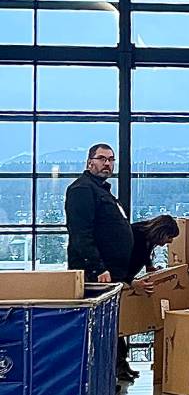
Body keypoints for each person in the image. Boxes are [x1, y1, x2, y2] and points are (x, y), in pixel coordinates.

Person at [65, 143, 137, 381]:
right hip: (96, 274)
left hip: (112, 273)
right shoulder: (82, 190)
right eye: (102, 159)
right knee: (98, 327)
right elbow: (81, 234)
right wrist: (98, 267)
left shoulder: (103, 191)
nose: (107, 164)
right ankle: (98, 378)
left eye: (111, 159)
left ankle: (114, 371)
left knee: (111, 325)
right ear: (89, 162)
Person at [117, 215, 181, 381]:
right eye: (169, 237)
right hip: (118, 279)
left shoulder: (147, 236)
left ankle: (122, 365)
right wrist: (132, 281)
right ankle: (119, 366)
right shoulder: (135, 235)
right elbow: (118, 262)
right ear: (161, 232)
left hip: (126, 278)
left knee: (120, 327)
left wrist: (150, 267)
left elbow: (144, 254)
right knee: (118, 327)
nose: (169, 242)